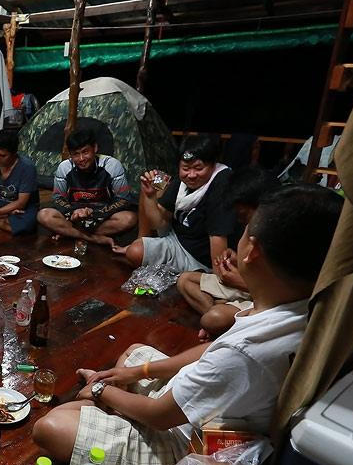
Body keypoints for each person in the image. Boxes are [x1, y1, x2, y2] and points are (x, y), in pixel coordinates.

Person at [33, 185, 343, 465]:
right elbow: (208, 351)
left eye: (246, 230)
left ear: (255, 250)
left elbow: (160, 417)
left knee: (50, 427)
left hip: (189, 445)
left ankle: (117, 418)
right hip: (200, 407)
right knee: (134, 354)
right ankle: (117, 412)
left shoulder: (244, 351)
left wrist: (100, 388)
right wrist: (139, 372)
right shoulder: (306, 306)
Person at [176, 168, 277, 338]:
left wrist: (243, 283)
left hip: (263, 297)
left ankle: (220, 315)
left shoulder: (280, 233)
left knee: (213, 319)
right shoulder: (253, 227)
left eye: (243, 215)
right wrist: (236, 260)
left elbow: (283, 295)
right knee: (184, 280)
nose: (240, 220)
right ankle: (222, 310)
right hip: (247, 285)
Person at [114, 134, 235, 272]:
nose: (191, 174)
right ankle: (141, 237)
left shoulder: (221, 183)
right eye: (185, 168)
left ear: (213, 165)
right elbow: (157, 223)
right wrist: (150, 196)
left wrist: (218, 276)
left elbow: (218, 238)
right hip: (175, 233)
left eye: (198, 168)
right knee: (152, 180)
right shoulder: (180, 182)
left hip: (196, 256)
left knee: (135, 252)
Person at [36, 127, 137, 250]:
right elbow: (57, 198)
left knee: (129, 218)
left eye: (85, 152)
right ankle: (95, 238)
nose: (81, 159)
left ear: (95, 148)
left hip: (102, 217)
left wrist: (94, 214)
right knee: (44, 215)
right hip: (74, 217)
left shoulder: (112, 165)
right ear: (70, 154)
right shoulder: (64, 167)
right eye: (76, 154)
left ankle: (70, 233)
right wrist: (74, 212)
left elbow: (123, 199)